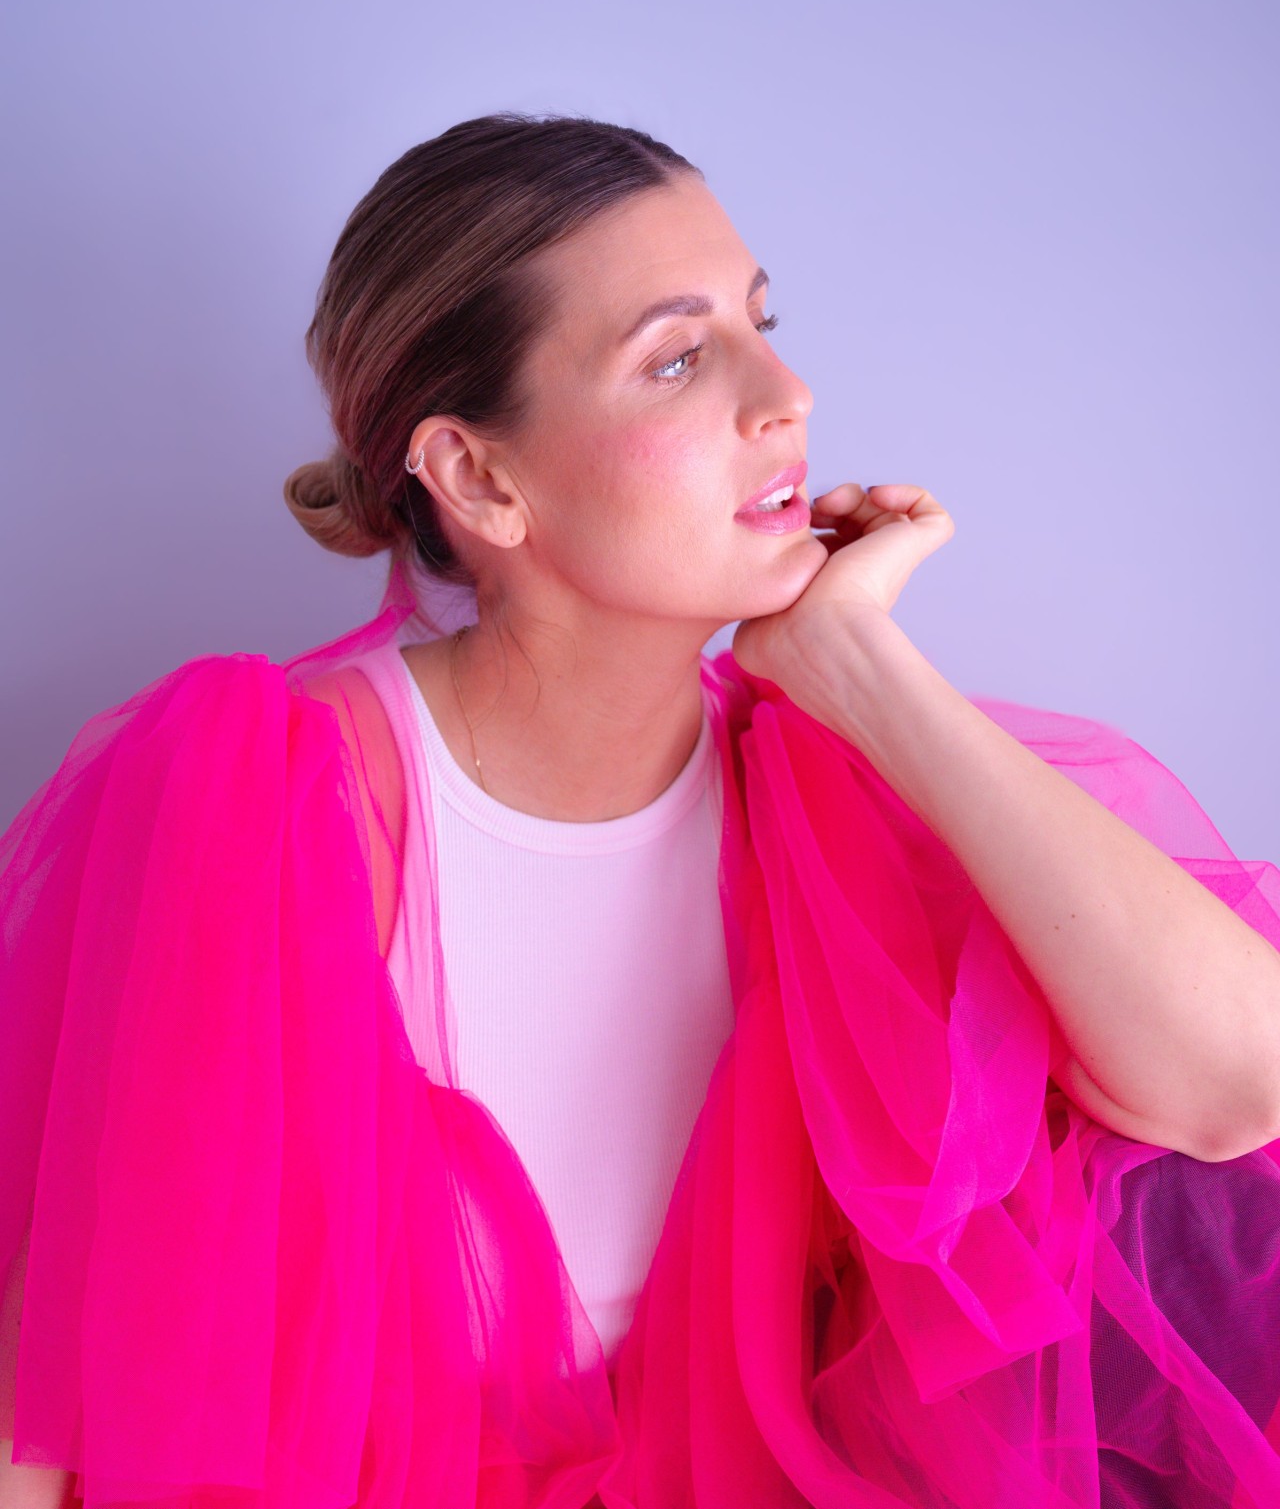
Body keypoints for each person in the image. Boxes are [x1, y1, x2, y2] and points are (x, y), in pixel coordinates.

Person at [2, 112, 1279, 1509]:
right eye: (678, 357)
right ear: (481, 478)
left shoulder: (812, 783)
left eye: (761, 323)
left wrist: (866, 669)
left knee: (1178, 1217)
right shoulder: (280, 792)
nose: (786, 393)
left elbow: (1234, 1088)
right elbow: (56, 1402)